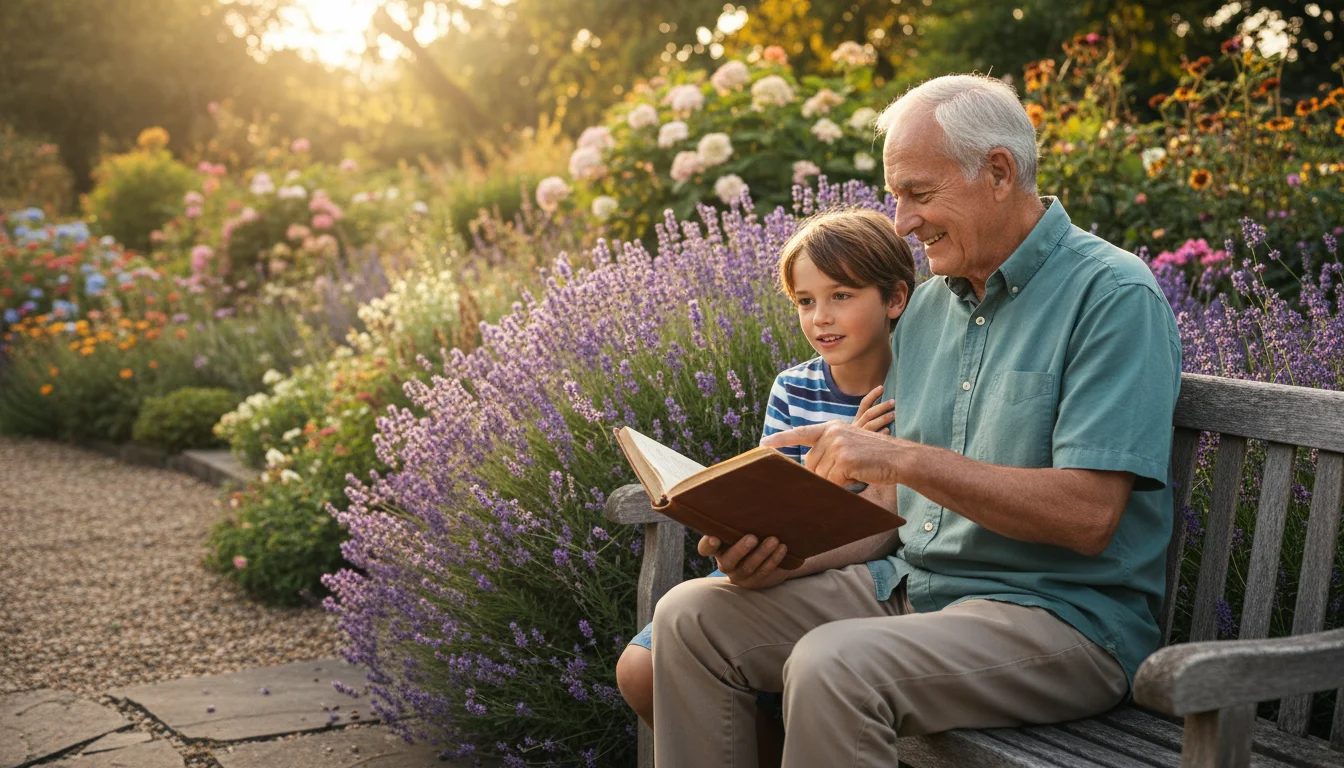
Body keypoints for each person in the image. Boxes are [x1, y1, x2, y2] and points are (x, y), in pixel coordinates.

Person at [649, 73, 1182, 768]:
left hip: (1061, 622)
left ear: (998, 172)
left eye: (919, 195)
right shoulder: (929, 310)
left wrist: (899, 457)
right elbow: (895, 509)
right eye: (895, 195)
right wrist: (784, 556)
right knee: (690, 619)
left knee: (832, 664)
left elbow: (1089, 517)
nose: (901, 222)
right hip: (914, 592)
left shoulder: (1111, 297)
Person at [615, 206, 919, 729]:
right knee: (639, 670)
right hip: (778, 555)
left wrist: (841, 479)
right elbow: (775, 496)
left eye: (840, 296)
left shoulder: (912, 389)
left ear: (894, 298)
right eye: (805, 301)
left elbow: (896, 523)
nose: (820, 316)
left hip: (857, 575)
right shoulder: (793, 387)